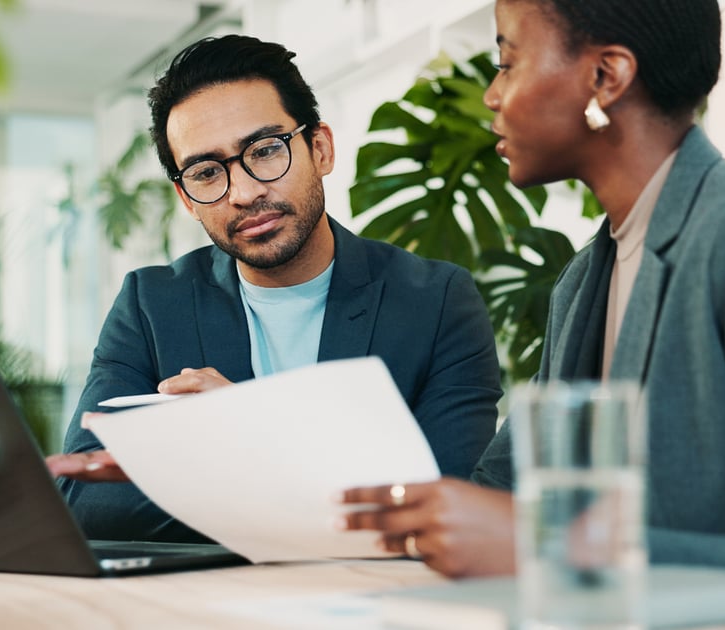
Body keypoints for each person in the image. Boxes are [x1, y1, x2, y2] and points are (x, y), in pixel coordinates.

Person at [338, 0, 725, 625]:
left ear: (606, 77)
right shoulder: (583, 280)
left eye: (507, 62)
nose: (492, 95)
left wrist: (551, 550)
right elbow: (498, 493)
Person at [47, 35, 503, 543]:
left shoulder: (435, 302)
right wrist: (305, 483)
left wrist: (256, 432)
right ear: (186, 197)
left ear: (321, 148)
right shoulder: (152, 306)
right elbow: (86, 501)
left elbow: (446, 506)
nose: (244, 193)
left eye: (265, 151)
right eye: (206, 172)